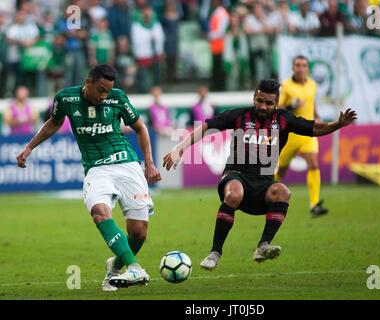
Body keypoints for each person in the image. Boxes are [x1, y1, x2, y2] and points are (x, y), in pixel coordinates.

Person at [163, 79, 357, 270]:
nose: (263, 106)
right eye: (260, 100)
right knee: (234, 193)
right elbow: (206, 127)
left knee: (283, 192)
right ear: (254, 97)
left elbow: (315, 128)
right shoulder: (240, 115)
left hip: (263, 183)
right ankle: (215, 252)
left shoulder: (284, 119)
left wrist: (338, 124)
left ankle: (262, 247)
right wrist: (180, 147)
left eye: (269, 103)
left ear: (277, 103)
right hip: (236, 175)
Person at [16, 64, 161, 290]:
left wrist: (149, 164)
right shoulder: (66, 99)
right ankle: (134, 269)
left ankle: (114, 266)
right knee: (99, 213)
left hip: (127, 165)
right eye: (101, 90)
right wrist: (29, 147)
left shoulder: (118, 99)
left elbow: (141, 128)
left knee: (139, 233)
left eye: (108, 91)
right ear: (88, 82)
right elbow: (54, 123)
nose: (104, 96)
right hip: (96, 169)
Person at [274, 55, 328, 217]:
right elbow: (279, 107)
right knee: (281, 171)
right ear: (293, 68)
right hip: (290, 134)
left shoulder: (312, 84)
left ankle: (314, 204)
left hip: (307, 131)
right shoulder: (286, 86)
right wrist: (293, 105)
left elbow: (312, 103)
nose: (301, 68)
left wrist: (317, 116)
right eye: (298, 65)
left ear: (308, 68)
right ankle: (268, 195)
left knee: (313, 163)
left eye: (304, 65)